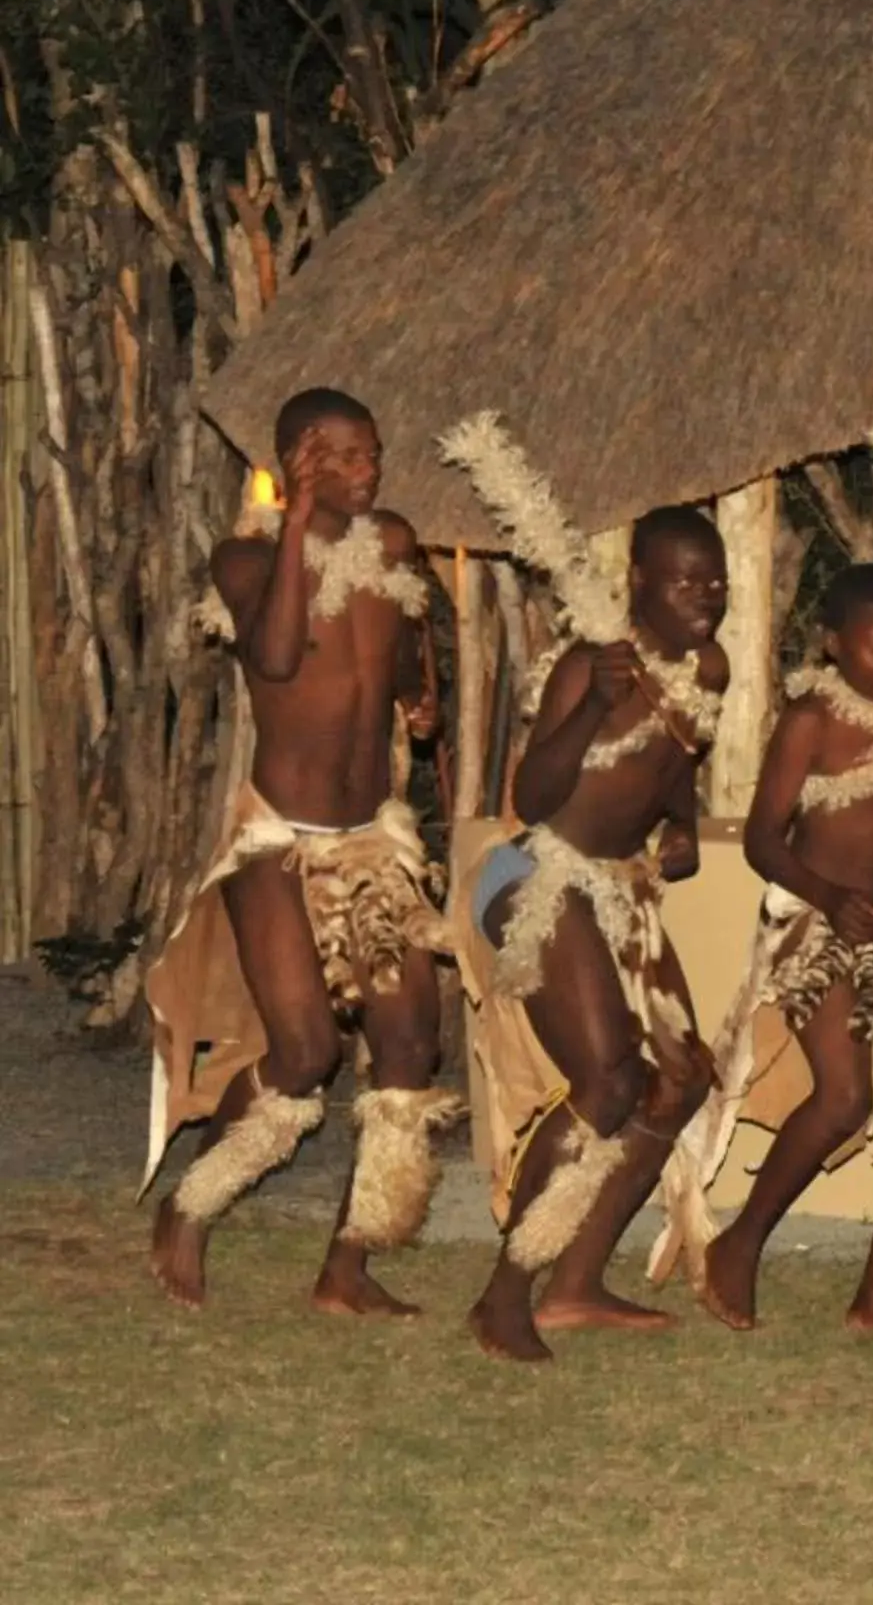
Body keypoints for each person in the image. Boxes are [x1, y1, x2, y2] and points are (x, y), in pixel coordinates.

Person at [147, 388, 448, 1313]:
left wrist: (416, 693)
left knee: (408, 1051)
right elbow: (274, 657)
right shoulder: (243, 561)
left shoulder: (392, 544)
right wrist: (291, 527)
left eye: (375, 455)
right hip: (278, 838)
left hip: (370, 840)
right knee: (307, 1050)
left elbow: (406, 639)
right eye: (349, 457)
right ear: (301, 460)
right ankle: (190, 1208)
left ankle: (346, 1269)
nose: (371, 471)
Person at [455, 507, 729, 1362]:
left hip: (616, 891)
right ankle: (505, 1295)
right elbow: (532, 798)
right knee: (609, 1081)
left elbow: (673, 764)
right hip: (535, 874)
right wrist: (594, 705)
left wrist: (679, 826)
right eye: (686, 581)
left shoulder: (701, 667)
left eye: (716, 581)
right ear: (638, 582)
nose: (706, 597)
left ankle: (574, 1284)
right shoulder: (589, 664)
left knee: (681, 1082)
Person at [669, 565, 873, 1329]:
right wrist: (831, 900)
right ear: (834, 647)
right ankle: (740, 1245)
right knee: (845, 1097)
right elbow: (763, 840)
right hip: (811, 921)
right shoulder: (811, 720)